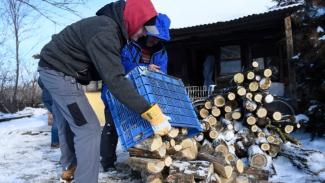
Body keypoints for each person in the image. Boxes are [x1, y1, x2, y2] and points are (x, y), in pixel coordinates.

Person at [37, 0, 171, 182]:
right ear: (135, 19)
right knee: (89, 128)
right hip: (58, 73)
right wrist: (151, 112)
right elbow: (115, 81)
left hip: (61, 71)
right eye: (142, 29)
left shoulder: (113, 30)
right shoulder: (106, 32)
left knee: (69, 123)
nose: (142, 35)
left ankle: (70, 168)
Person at [100, 13, 171, 172]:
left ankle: (137, 161)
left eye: (158, 38)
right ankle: (107, 162)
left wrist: (158, 74)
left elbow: (163, 72)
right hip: (116, 92)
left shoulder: (161, 52)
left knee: (140, 126)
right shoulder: (129, 43)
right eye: (153, 36)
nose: (155, 40)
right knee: (112, 126)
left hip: (143, 96)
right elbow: (118, 64)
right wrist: (144, 68)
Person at [38, 78, 59, 148]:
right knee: (57, 120)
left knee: (57, 118)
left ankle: (57, 141)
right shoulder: (55, 72)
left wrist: (45, 88)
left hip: (45, 96)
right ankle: (55, 143)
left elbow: (40, 82)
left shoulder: (44, 72)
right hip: (53, 96)